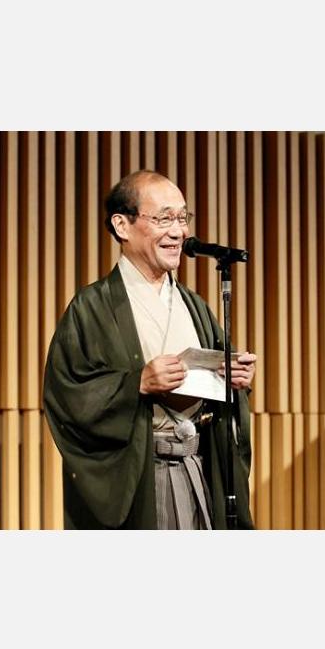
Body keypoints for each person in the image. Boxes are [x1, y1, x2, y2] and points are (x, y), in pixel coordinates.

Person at [43, 170, 259, 529]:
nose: (179, 232)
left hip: (198, 470)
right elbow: (68, 396)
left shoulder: (193, 305)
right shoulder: (92, 307)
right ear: (122, 225)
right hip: (142, 476)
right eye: (164, 218)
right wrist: (137, 383)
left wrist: (235, 378)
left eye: (182, 218)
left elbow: (221, 385)